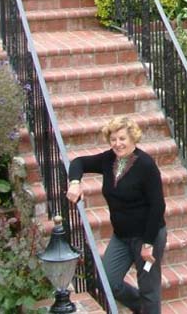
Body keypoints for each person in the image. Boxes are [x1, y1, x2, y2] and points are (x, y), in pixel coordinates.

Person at [67, 116, 167, 314]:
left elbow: (158, 205)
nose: (118, 144)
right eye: (113, 139)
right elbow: (78, 162)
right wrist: (75, 182)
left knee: (149, 288)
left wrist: (148, 244)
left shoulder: (145, 164)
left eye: (122, 138)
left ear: (132, 139)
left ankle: (147, 307)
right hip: (121, 237)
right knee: (106, 281)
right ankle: (140, 306)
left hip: (147, 236)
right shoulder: (109, 159)